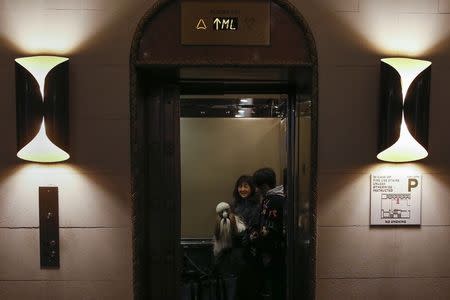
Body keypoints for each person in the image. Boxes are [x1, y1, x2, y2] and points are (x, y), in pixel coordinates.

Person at [253, 167, 286, 300]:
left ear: (264, 186)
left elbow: (272, 227)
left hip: (274, 250)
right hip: (270, 248)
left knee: (274, 286)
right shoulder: (269, 198)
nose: (256, 190)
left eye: (258, 186)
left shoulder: (276, 200)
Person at [231, 175, 263, 300]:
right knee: (238, 284)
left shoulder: (258, 205)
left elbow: (256, 228)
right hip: (236, 248)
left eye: (246, 186)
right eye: (240, 186)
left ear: (252, 188)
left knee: (251, 284)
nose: (242, 189)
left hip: (251, 250)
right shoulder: (233, 204)